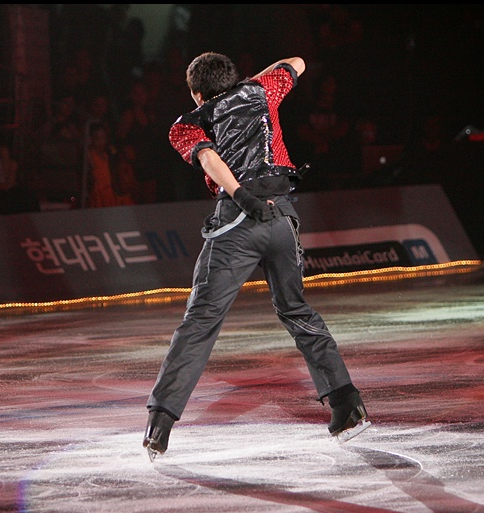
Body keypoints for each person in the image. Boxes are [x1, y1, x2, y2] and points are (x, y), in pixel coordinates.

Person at [143, 52, 370, 461]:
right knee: (297, 310)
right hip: (283, 217)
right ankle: (346, 405)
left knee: (201, 320)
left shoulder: (188, 122)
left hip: (238, 223)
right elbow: (298, 62)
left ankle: (160, 422)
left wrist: (241, 196)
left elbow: (208, 157)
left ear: (197, 93)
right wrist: (248, 85)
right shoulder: (263, 90)